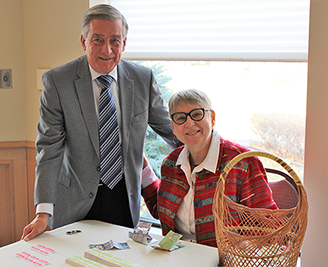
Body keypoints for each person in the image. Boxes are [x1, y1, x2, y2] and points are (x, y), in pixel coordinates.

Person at [21, 4, 180, 241]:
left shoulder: (142, 79)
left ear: (124, 44)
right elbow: (49, 150)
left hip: (125, 199)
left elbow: (171, 131)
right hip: (75, 201)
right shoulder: (58, 81)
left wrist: (210, 153)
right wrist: (43, 212)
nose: (107, 49)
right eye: (98, 39)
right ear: (84, 41)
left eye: (115, 40)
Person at [143, 89, 278, 247]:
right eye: (180, 118)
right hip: (174, 257)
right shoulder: (170, 164)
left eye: (197, 114)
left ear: (212, 118)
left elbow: (268, 227)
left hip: (225, 261)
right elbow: (161, 210)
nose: (189, 123)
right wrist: (142, 167)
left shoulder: (243, 163)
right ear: (173, 127)